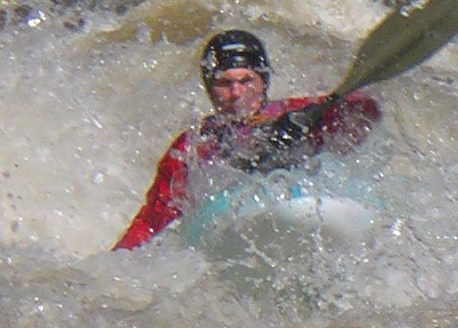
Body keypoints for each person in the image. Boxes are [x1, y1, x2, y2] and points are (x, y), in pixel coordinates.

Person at [114, 29, 380, 250]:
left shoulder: (294, 112)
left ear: (263, 82)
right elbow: (153, 220)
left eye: (246, 80)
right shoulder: (193, 145)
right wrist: (117, 262)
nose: (236, 92)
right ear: (210, 87)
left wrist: (308, 120)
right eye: (223, 83)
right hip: (243, 230)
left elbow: (366, 111)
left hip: (310, 208)